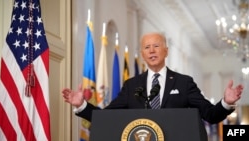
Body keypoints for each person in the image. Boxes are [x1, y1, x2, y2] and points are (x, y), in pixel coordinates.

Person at [62, 32, 243, 124]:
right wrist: (82, 105)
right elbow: (108, 117)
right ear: (142, 54)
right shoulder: (132, 85)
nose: (152, 50)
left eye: (156, 46)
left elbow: (210, 115)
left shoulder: (184, 82)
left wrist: (226, 103)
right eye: (147, 47)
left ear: (166, 51)